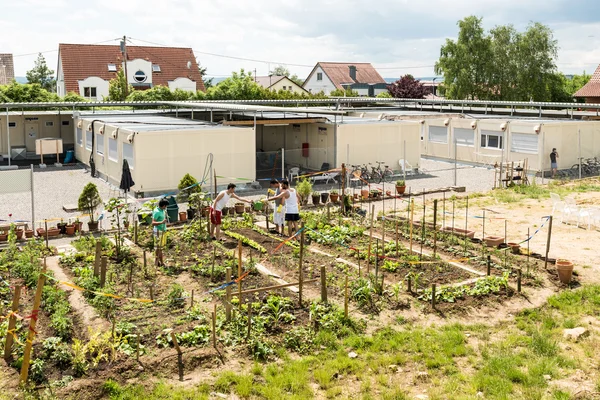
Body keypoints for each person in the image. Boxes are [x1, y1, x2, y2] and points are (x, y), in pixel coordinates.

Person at [152, 198, 169, 267]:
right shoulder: (157, 212)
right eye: (166, 206)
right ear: (163, 205)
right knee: (158, 248)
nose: (166, 207)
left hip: (162, 230)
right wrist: (161, 222)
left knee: (160, 248)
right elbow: (153, 223)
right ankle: (157, 263)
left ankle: (160, 262)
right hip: (158, 231)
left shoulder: (162, 210)